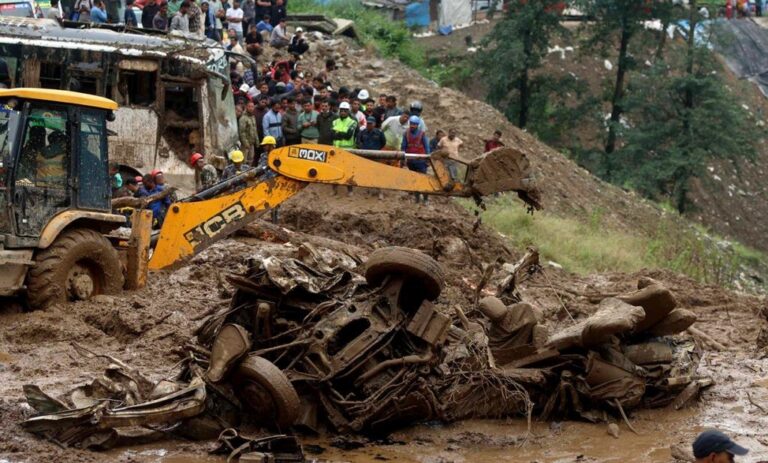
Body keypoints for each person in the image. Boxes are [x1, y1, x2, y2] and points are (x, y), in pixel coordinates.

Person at [402, 115, 430, 204]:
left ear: (417, 125)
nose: (412, 126)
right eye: (411, 124)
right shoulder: (406, 133)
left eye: (414, 124)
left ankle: (425, 199)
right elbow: (403, 146)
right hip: (411, 160)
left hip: (421, 160)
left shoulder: (422, 134)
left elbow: (427, 146)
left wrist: (428, 158)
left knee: (423, 179)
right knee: (414, 179)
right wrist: (403, 158)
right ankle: (417, 198)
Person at [331, 101, 357, 196]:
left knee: (348, 171)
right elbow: (332, 135)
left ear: (348, 111)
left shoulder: (352, 122)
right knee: (334, 170)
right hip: (336, 150)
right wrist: (340, 134)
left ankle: (350, 190)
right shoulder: (335, 121)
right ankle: (334, 189)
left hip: (348, 150)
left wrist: (338, 133)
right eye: (341, 110)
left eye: (345, 111)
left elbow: (348, 136)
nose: (343, 112)